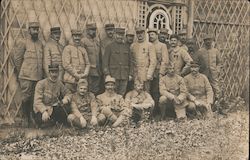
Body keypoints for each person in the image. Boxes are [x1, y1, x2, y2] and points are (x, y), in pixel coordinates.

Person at [13, 21, 44, 127]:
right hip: (26, 76)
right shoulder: (23, 42)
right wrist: (21, 72)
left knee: (35, 97)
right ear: (29, 30)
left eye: (37, 29)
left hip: (38, 76)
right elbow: (17, 59)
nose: (36, 31)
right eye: (33, 29)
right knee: (26, 97)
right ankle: (25, 118)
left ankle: (32, 118)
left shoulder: (40, 43)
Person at [103, 27, 133, 96]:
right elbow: (105, 62)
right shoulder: (109, 47)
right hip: (113, 75)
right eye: (118, 35)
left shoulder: (127, 47)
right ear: (115, 35)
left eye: (121, 35)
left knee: (122, 93)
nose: (120, 37)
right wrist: (107, 74)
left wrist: (130, 74)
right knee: (112, 93)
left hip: (124, 75)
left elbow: (130, 62)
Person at [147, 28, 169, 115]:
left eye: (152, 34)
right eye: (149, 35)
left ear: (157, 35)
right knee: (148, 91)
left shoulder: (162, 46)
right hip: (148, 71)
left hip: (157, 71)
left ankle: (156, 112)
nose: (150, 36)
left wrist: (161, 72)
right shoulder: (147, 45)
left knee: (156, 91)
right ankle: (149, 111)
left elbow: (165, 60)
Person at [197, 34, 222, 105]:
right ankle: (204, 103)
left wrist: (217, 70)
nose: (208, 42)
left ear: (212, 41)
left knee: (215, 87)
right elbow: (197, 63)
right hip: (204, 72)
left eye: (209, 40)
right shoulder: (200, 51)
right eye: (206, 40)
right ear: (204, 41)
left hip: (213, 73)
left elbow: (219, 62)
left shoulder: (216, 51)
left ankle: (217, 103)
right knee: (203, 87)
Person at [130, 26, 157, 92]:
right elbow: (131, 61)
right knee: (135, 91)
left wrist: (149, 73)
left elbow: (153, 61)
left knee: (146, 92)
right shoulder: (133, 46)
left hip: (145, 73)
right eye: (138, 33)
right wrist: (131, 73)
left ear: (144, 33)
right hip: (136, 73)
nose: (140, 35)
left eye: (141, 33)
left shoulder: (149, 45)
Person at [81, 23, 103, 95]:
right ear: (87, 31)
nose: (93, 32)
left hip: (97, 69)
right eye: (91, 30)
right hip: (89, 70)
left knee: (96, 87)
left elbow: (99, 55)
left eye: (94, 30)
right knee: (88, 87)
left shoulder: (97, 41)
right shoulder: (83, 41)